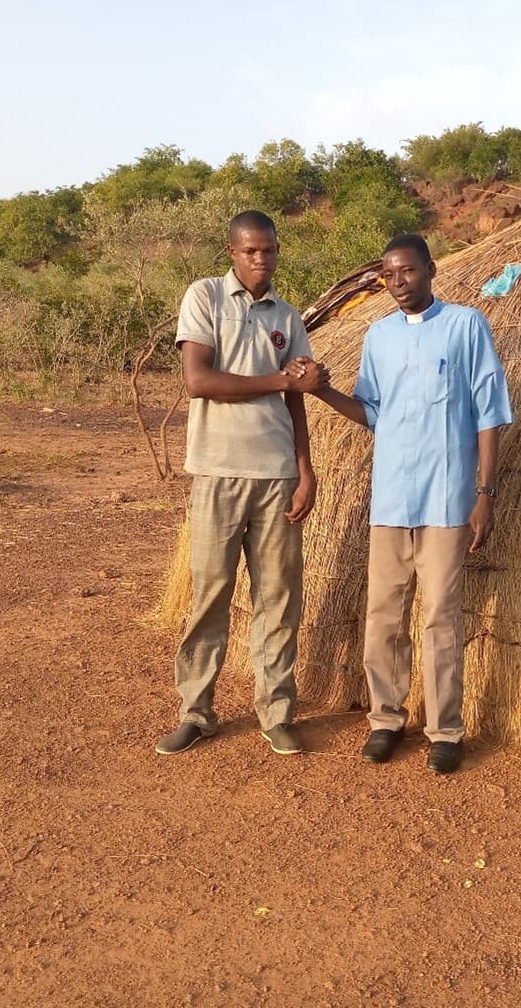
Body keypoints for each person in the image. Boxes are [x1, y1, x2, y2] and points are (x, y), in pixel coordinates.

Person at [307, 232, 513, 774]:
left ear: (430, 269)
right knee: (383, 614)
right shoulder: (378, 336)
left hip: (448, 496)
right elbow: (371, 411)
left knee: (440, 616)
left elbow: (489, 413)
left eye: (408, 271)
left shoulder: (467, 325)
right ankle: (386, 720)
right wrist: (321, 392)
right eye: (389, 275)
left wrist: (484, 494)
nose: (398, 282)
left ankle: (446, 730)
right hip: (392, 496)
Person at [156, 210, 328, 757]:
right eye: (251, 250)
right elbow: (198, 380)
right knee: (210, 594)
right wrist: (280, 378)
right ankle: (196, 712)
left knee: (278, 598)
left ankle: (275, 713)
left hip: (276, 474)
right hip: (217, 470)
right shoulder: (204, 297)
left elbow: (297, 400)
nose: (261, 259)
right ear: (231, 253)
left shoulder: (288, 316)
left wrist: (305, 468)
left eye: (270, 250)